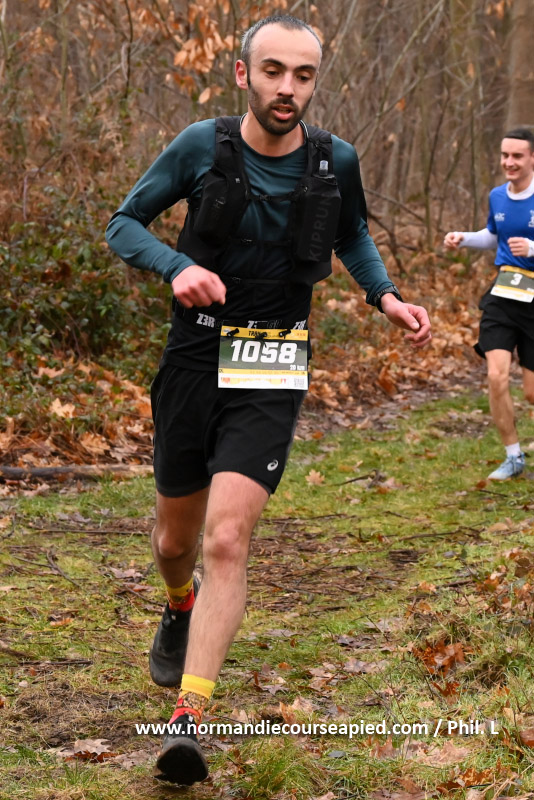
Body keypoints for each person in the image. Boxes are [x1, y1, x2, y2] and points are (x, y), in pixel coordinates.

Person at [106, 14, 431, 786]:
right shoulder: (201, 145)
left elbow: (350, 233)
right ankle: (179, 605)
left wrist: (385, 297)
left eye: (303, 75)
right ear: (243, 75)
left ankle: (188, 719)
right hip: (194, 356)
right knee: (174, 543)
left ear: (316, 81)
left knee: (227, 539)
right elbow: (124, 224)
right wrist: (175, 267)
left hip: (273, 359)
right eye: (274, 71)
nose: (288, 88)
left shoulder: (334, 159)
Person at [444, 128, 534, 481]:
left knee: (531, 392)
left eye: (517, 156)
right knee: (496, 375)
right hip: (504, 294)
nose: (509, 162)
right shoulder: (497, 196)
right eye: (505, 155)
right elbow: (494, 236)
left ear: (532, 158)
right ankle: (513, 456)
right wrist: (463, 238)